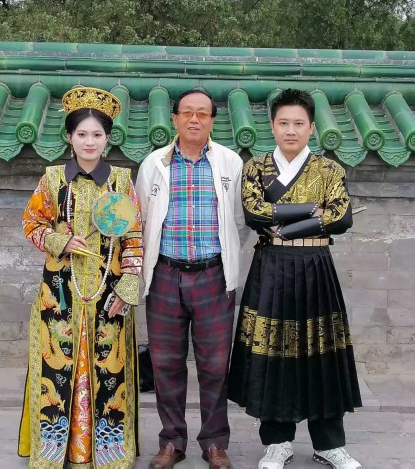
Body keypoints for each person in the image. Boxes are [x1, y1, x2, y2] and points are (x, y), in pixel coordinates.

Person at [228, 88, 362, 469]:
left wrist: (283, 222)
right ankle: (277, 441)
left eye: (299, 123)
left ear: (312, 127)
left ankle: (330, 443)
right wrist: (312, 212)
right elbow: (254, 213)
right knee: (273, 351)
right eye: (284, 122)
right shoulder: (255, 167)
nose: (291, 130)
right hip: (271, 266)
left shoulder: (329, 169)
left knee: (323, 351)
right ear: (272, 125)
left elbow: (342, 217)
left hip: (316, 266)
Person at [18, 86, 143, 469]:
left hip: (109, 290)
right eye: (82, 134)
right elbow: (31, 223)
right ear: (70, 137)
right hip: (60, 292)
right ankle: (56, 450)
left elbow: (134, 235)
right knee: (56, 369)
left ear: (108, 138)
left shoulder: (121, 181)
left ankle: (108, 451)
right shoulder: (53, 179)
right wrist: (59, 240)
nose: (90, 142)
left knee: (109, 369)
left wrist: (128, 285)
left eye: (97, 134)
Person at [136, 88, 250, 469]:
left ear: (213, 120)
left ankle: (215, 442)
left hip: (213, 276)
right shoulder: (153, 164)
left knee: (215, 365)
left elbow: (238, 223)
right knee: (166, 363)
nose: (195, 119)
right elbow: (142, 220)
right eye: (187, 112)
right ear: (174, 119)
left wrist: (221, 257)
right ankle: (172, 441)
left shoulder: (230, 162)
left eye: (203, 113)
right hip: (165, 275)